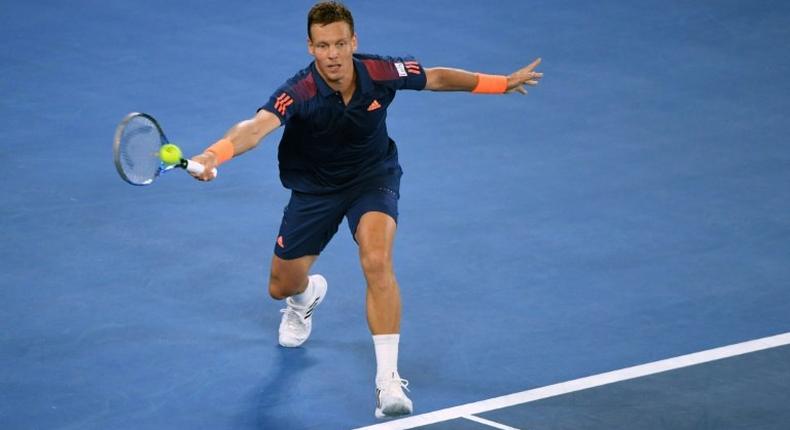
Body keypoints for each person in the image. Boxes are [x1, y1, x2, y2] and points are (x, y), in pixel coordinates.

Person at [189, 1, 542, 419]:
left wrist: (500, 83)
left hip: (371, 179)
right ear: (310, 48)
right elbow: (255, 127)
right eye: (323, 46)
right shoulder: (298, 93)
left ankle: (388, 381)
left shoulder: (380, 72)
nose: (333, 54)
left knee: (376, 261)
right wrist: (216, 154)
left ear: (353, 42)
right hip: (314, 191)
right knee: (280, 286)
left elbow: (438, 78)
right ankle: (305, 298)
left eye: (340, 43)